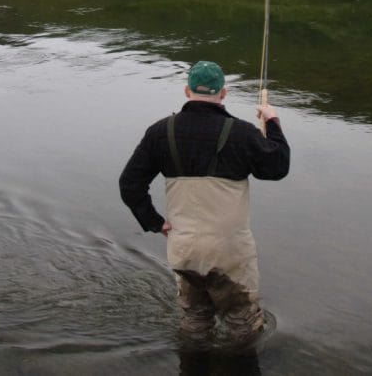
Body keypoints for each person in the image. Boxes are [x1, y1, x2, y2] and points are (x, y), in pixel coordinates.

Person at [119, 61, 291, 345]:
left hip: (182, 247)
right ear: (223, 93)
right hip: (229, 252)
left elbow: (129, 185)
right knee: (243, 326)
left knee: (195, 321)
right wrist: (272, 121)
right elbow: (277, 167)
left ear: (187, 91)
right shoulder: (243, 132)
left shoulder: (160, 132)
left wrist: (154, 222)